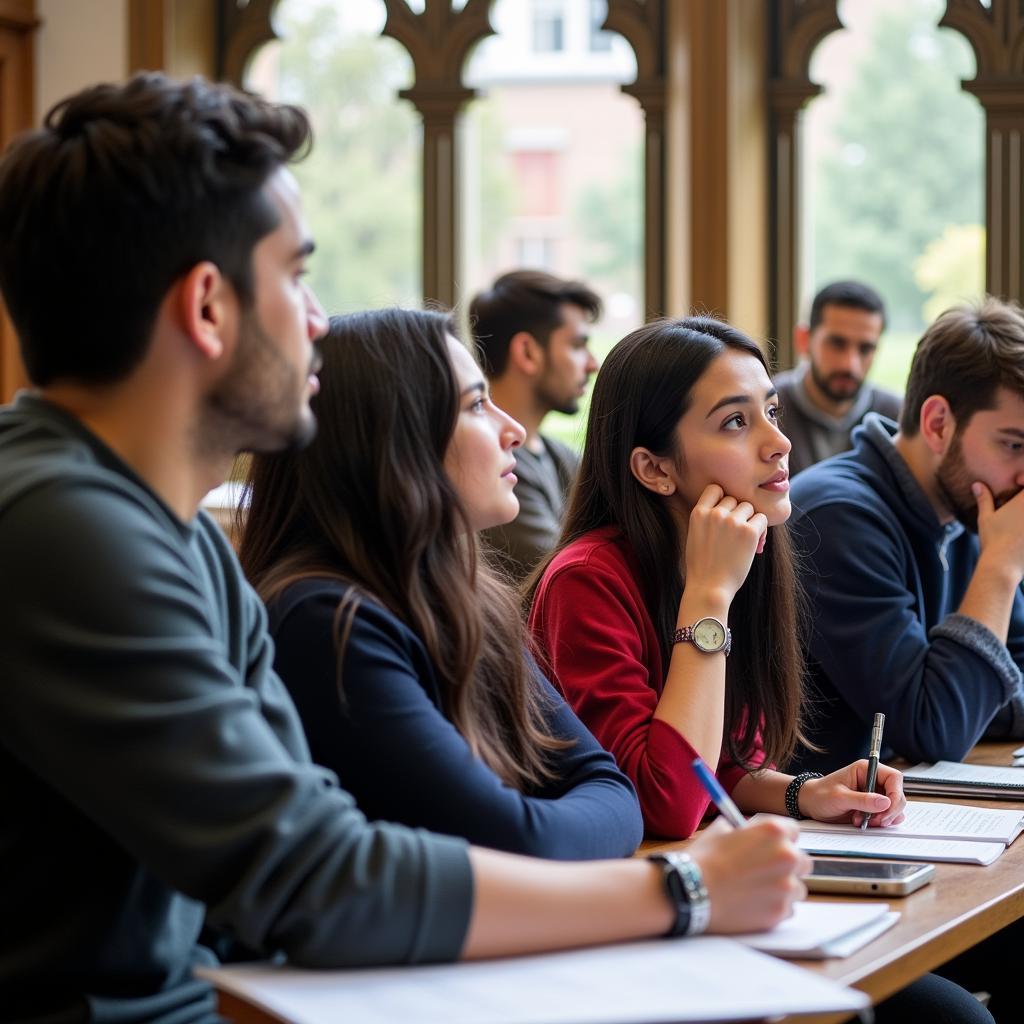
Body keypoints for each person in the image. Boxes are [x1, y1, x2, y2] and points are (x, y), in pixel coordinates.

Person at [0, 74, 811, 1023]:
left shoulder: (172, 539)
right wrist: (687, 893)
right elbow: (319, 878)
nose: (316, 321)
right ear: (209, 307)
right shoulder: (66, 530)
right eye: (296, 275)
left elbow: (328, 842)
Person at [239, 308, 643, 860]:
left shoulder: (470, 599)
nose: (515, 432)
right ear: (395, 442)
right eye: (477, 405)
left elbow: (612, 788)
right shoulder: (325, 622)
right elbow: (514, 839)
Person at [526, 316, 906, 840]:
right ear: (654, 469)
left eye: (772, 411)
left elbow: (719, 765)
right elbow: (666, 802)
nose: (779, 442)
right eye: (735, 422)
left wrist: (805, 792)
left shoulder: (732, 548)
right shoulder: (587, 580)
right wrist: (708, 598)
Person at [789, 297, 1024, 775]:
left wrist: (972, 695)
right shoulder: (835, 515)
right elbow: (935, 728)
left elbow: (1010, 669)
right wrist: (1000, 566)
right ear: (938, 424)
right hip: (799, 828)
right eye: (1014, 445)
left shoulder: (972, 504)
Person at [471, 270, 601, 580]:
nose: (592, 364)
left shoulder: (562, 456)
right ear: (527, 352)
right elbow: (575, 578)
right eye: (577, 345)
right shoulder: (493, 467)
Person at [775, 280, 901, 476]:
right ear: (804, 340)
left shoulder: (898, 419)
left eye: (865, 349)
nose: (849, 364)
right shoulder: (767, 409)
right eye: (837, 344)